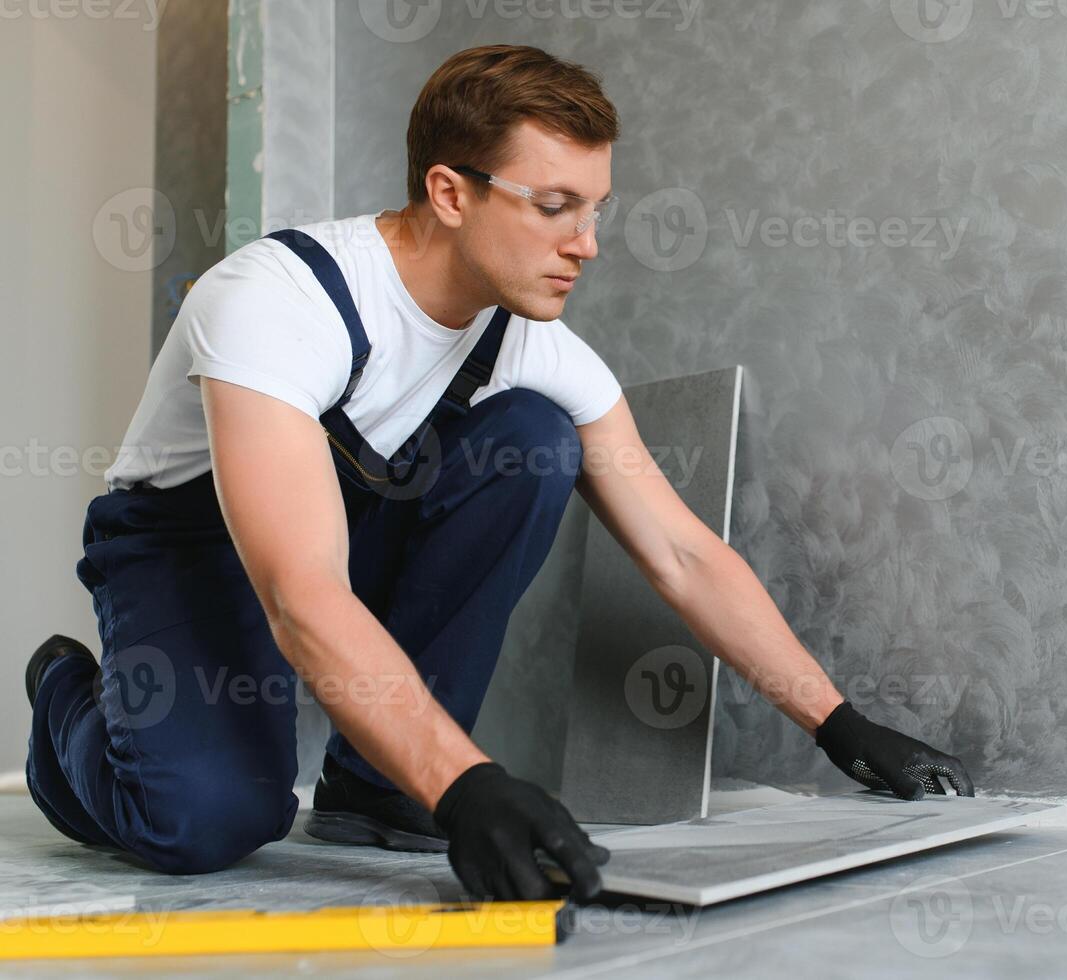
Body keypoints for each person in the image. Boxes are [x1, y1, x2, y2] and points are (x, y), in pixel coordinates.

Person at [25, 44, 975, 904]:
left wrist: (839, 723)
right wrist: (467, 782)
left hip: (330, 542)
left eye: (594, 210)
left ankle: (377, 787)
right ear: (449, 192)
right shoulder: (276, 302)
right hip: (195, 554)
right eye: (554, 207)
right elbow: (300, 592)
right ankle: (64, 695)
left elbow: (682, 551)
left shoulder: (533, 348)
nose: (586, 244)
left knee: (534, 438)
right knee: (206, 826)